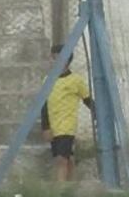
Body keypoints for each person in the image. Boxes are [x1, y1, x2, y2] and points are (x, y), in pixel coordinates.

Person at [41, 44, 95, 182]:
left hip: (67, 126)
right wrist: (46, 127)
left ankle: (60, 191)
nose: (51, 61)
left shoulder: (75, 80)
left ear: (65, 60)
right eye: (51, 58)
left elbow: (87, 100)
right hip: (54, 126)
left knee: (61, 160)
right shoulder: (47, 80)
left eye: (55, 58)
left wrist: (98, 114)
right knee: (67, 158)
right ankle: (71, 186)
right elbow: (43, 105)